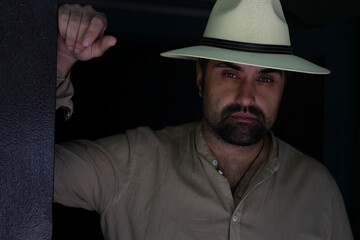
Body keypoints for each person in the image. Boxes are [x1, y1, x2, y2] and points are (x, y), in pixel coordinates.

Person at [55, 1, 353, 239]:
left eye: (265, 78)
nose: (247, 96)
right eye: (231, 73)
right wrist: (58, 60)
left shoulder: (317, 189)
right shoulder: (130, 164)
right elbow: (18, 168)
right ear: (200, 76)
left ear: (283, 86)